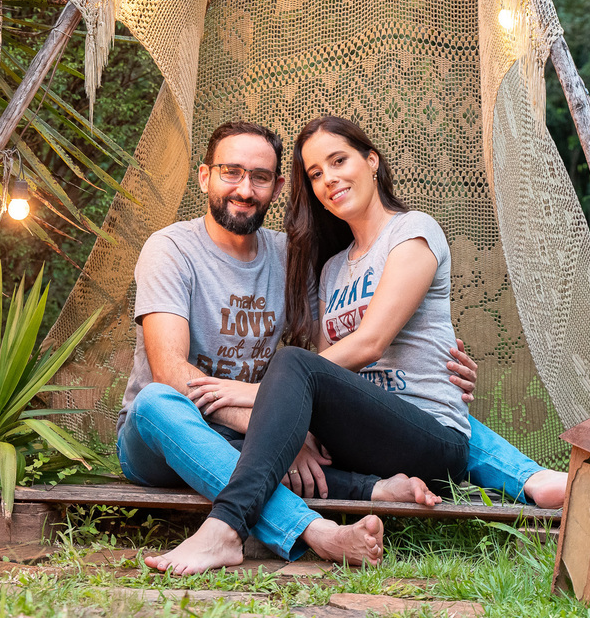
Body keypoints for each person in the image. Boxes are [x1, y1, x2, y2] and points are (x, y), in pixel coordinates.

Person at [143, 116, 562, 576]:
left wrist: (264, 397)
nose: (329, 179)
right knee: (189, 410)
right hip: (294, 427)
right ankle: (363, 500)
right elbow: (323, 374)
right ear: (205, 176)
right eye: (316, 174)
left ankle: (227, 527)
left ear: (371, 161)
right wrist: (289, 416)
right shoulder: (323, 268)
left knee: (294, 371)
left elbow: (365, 345)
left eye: (338, 161)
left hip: (410, 431)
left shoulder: (404, 232)